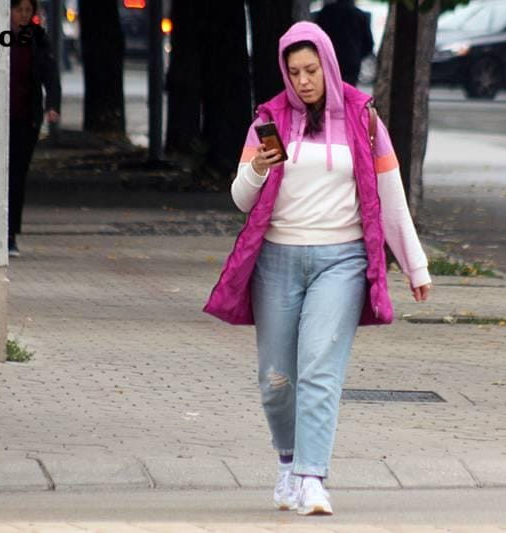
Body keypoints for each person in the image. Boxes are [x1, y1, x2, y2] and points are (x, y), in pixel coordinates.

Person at [203, 22, 431, 515]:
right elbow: (241, 200)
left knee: (319, 368)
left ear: (328, 65)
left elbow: (390, 197)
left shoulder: (363, 119)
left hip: (342, 261)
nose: (303, 81)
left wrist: (416, 266)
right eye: (294, 72)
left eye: (311, 70)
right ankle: (288, 463)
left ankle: (312, 478)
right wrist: (258, 168)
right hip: (277, 262)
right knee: (276, 380)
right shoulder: (269, 120)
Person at [9, 0, 61, 256]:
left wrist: (53, 105)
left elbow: (50, 74)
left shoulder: (37, 39)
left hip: (26, 118)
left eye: (28, 11)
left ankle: (10, 233)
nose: (23, 15)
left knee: (17, 176)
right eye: (19, 10)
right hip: (1, 117)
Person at [315, 0, 374, 86]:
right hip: (351, 62)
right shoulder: (360, 15)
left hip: (330, 59)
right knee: (349, 90)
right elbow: (369, 43)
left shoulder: (326, 12)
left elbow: (317, 37)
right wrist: (358, 56)